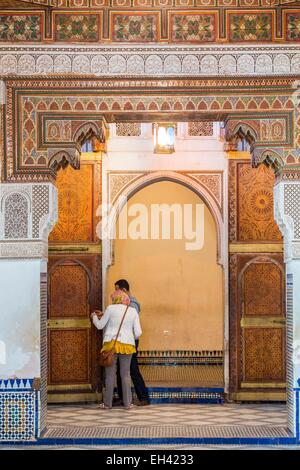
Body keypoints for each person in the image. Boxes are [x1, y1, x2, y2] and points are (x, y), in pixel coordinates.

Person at [91, 289, 142, 410]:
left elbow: (100, 325)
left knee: (110, 375)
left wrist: (94, 316)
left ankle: (107, 404)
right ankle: (128, 404)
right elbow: (138, 333)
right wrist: (129, 336)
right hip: (127, 345)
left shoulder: (110, 309)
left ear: (115, 299)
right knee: (125, 375)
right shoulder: (133, 311)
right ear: (125, 300)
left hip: (111, 345)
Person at [114, 279, 150, 406]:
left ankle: (144, 397)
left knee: (133, 369)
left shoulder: (133, 304)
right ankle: (122, 397)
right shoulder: (123, 302)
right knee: (120, 369)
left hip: (131, 341)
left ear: (123, 290)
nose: (115, 292)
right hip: (123, 340)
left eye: (117, 289)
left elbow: (129, 323)